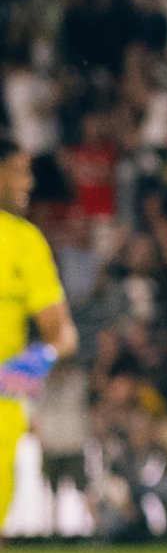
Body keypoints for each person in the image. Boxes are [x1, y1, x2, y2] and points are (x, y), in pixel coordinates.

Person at [0, 150, 72, 486]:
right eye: (18, 172)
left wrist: (37, 359)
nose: (28, 183)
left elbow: (63, 334)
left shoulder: (27, 241)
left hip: (3, 398)